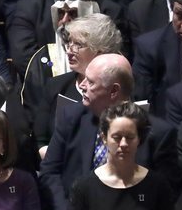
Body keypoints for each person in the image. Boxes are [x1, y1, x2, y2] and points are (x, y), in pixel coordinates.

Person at [39, 53, 180, 210]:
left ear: (114, 91)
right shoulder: (71, 117)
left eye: (90, 82)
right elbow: (50, 171)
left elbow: (165, 194)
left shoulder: (158, 133)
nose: (82, 85)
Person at [67, 101, 176, 210]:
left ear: (139, 139)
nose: (123, 144)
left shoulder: (158, 185)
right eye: (117, 137)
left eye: (130, 137)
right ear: (104, 138)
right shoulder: (83, 187)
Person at [29, 13, 123, 156]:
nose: (69, 51)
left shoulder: (120, 87)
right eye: (69, 43)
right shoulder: (56, 86)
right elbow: (40, 140)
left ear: (100, 50)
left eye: (78, 45)